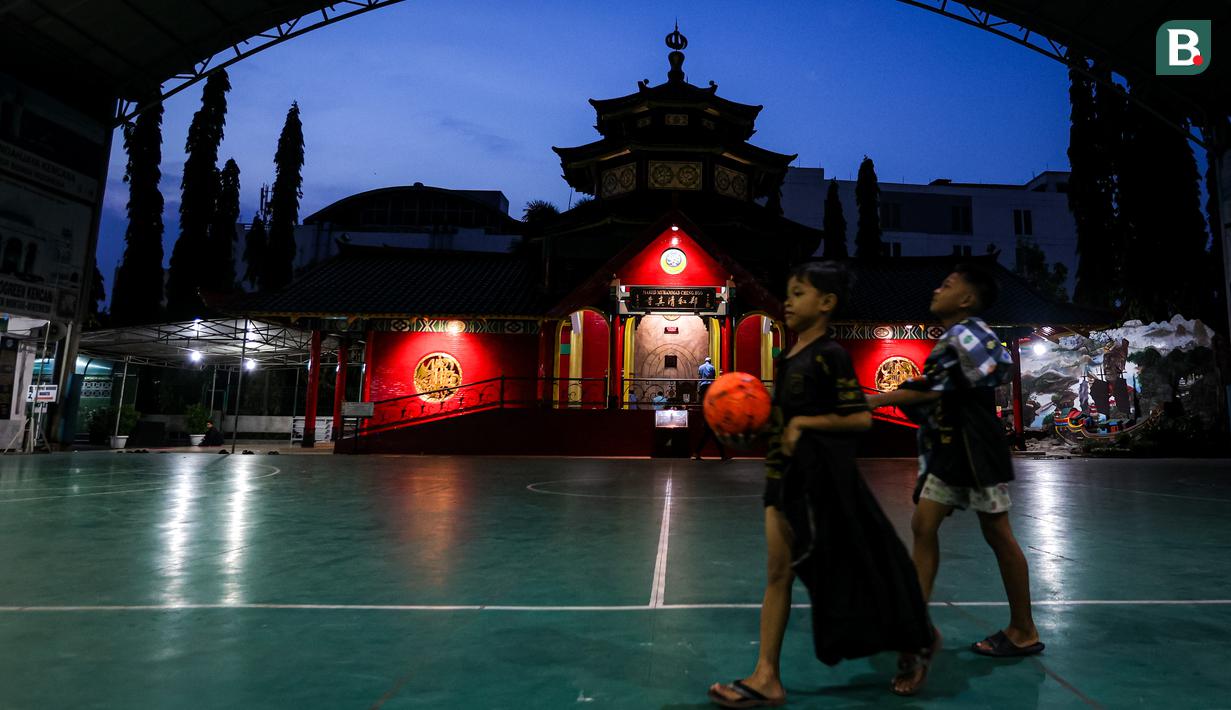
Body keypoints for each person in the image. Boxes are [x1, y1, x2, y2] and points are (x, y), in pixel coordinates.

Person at [708, 262, 934, 708]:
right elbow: (783, 418)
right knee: (778, 574)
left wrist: (804, 424)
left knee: (854, 576)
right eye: (787, 293)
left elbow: (859, 417)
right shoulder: (788, 356)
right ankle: (767, 676)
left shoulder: (831, 355)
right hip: (782, 477)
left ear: (827, 303)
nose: (787, 301)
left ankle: (915, 642)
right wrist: (750, 426)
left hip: (821, 486)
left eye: (799, 293)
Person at [867, 263, 1044, 668]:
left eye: (946, 285)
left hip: (974, 447)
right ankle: (915, 629)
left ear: (966, 299)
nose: (936, 289)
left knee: (997, 533)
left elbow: (942, 385)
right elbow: (938, 388)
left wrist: (877, 400)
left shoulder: (970, 332)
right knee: (923, 526)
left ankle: (1023, 631)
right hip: (951, 448)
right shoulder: (956, 336)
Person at [693, 357, 729, 460]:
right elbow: (713, 377)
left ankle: (697, 453)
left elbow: (700, 377)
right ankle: (722, 455)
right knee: (714, 436)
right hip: (709, 385)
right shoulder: (712, 367)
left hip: (703, 386)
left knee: (709, 436)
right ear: (710, 361)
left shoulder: (700, 367)